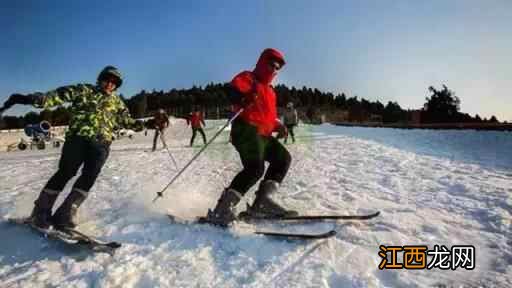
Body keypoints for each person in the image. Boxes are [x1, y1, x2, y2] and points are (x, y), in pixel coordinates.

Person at [0, 66, 143, 229]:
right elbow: (56, 96)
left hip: (102, 145)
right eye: (107, 79)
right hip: (78, 139)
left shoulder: (117, 102)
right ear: (100, 79)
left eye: (114, 82)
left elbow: (127, 121)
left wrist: (148, 124)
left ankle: (65, 214)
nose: (110, 84)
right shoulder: (84, 90)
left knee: (90, 177)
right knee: (66, 172)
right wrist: (30, 99)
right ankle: (40, 212)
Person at [205, 48, 298, 226]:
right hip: (245, 130)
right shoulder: (249, 78)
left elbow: (267, 115)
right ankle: (222, 210)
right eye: (272, 64)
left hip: (262, 134)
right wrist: (242, 98)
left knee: (282, 159)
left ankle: (262, 203)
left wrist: (278, 125)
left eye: (278, 67)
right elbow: (232, 89)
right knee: (255, 168)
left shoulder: (270, 91)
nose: (274, 69)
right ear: (263, 62)